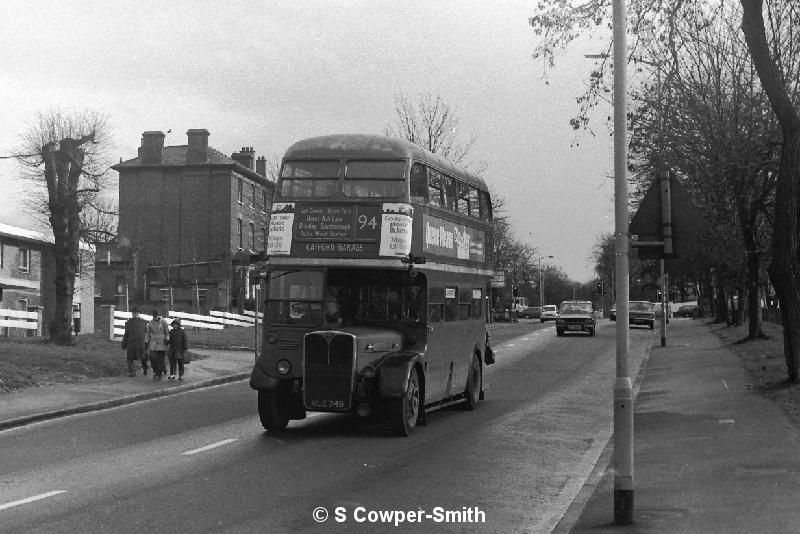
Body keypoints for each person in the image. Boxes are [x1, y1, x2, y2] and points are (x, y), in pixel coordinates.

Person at [121, 308, 147, 377]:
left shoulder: (129, 322)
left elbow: (126, 334)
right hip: (138, 343)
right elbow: (126, 334)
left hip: (133, 343)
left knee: (131, 358)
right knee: (140, 357)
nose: (135, 314)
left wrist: (123, 345)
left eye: (136, 312)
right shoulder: (143, 322)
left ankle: (133, 372)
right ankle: (141, 369)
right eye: (134, 312)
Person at [145, 309, 169, 380]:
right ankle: (155, 371)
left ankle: (160, 372)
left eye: (156, 315)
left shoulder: (163, 322)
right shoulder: (150, 323)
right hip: (153, 342)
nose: (155, 317)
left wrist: (167, 338)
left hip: (162, 342)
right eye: (153, 316)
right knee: (152, 357)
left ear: (158, 315)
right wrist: (146, 342)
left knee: (160, 359)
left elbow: (167, 332)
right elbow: (148, 333)